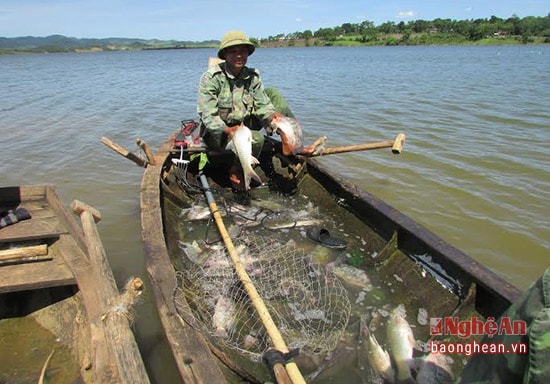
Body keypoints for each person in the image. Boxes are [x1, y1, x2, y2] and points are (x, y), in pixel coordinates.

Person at [197, 30, 293, 191]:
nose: (239, 55)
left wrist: (271, 117)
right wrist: (227, 130)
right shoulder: (211, 78)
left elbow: (262, 104)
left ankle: (291, 140)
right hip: (218, 134)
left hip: (244, 126)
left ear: (248, 53)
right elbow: (207, 115)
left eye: (243, 51)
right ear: (225, 55)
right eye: (233, 51)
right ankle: (236, 170)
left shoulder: (253, 76)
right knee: (257, 139)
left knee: (273, 94)